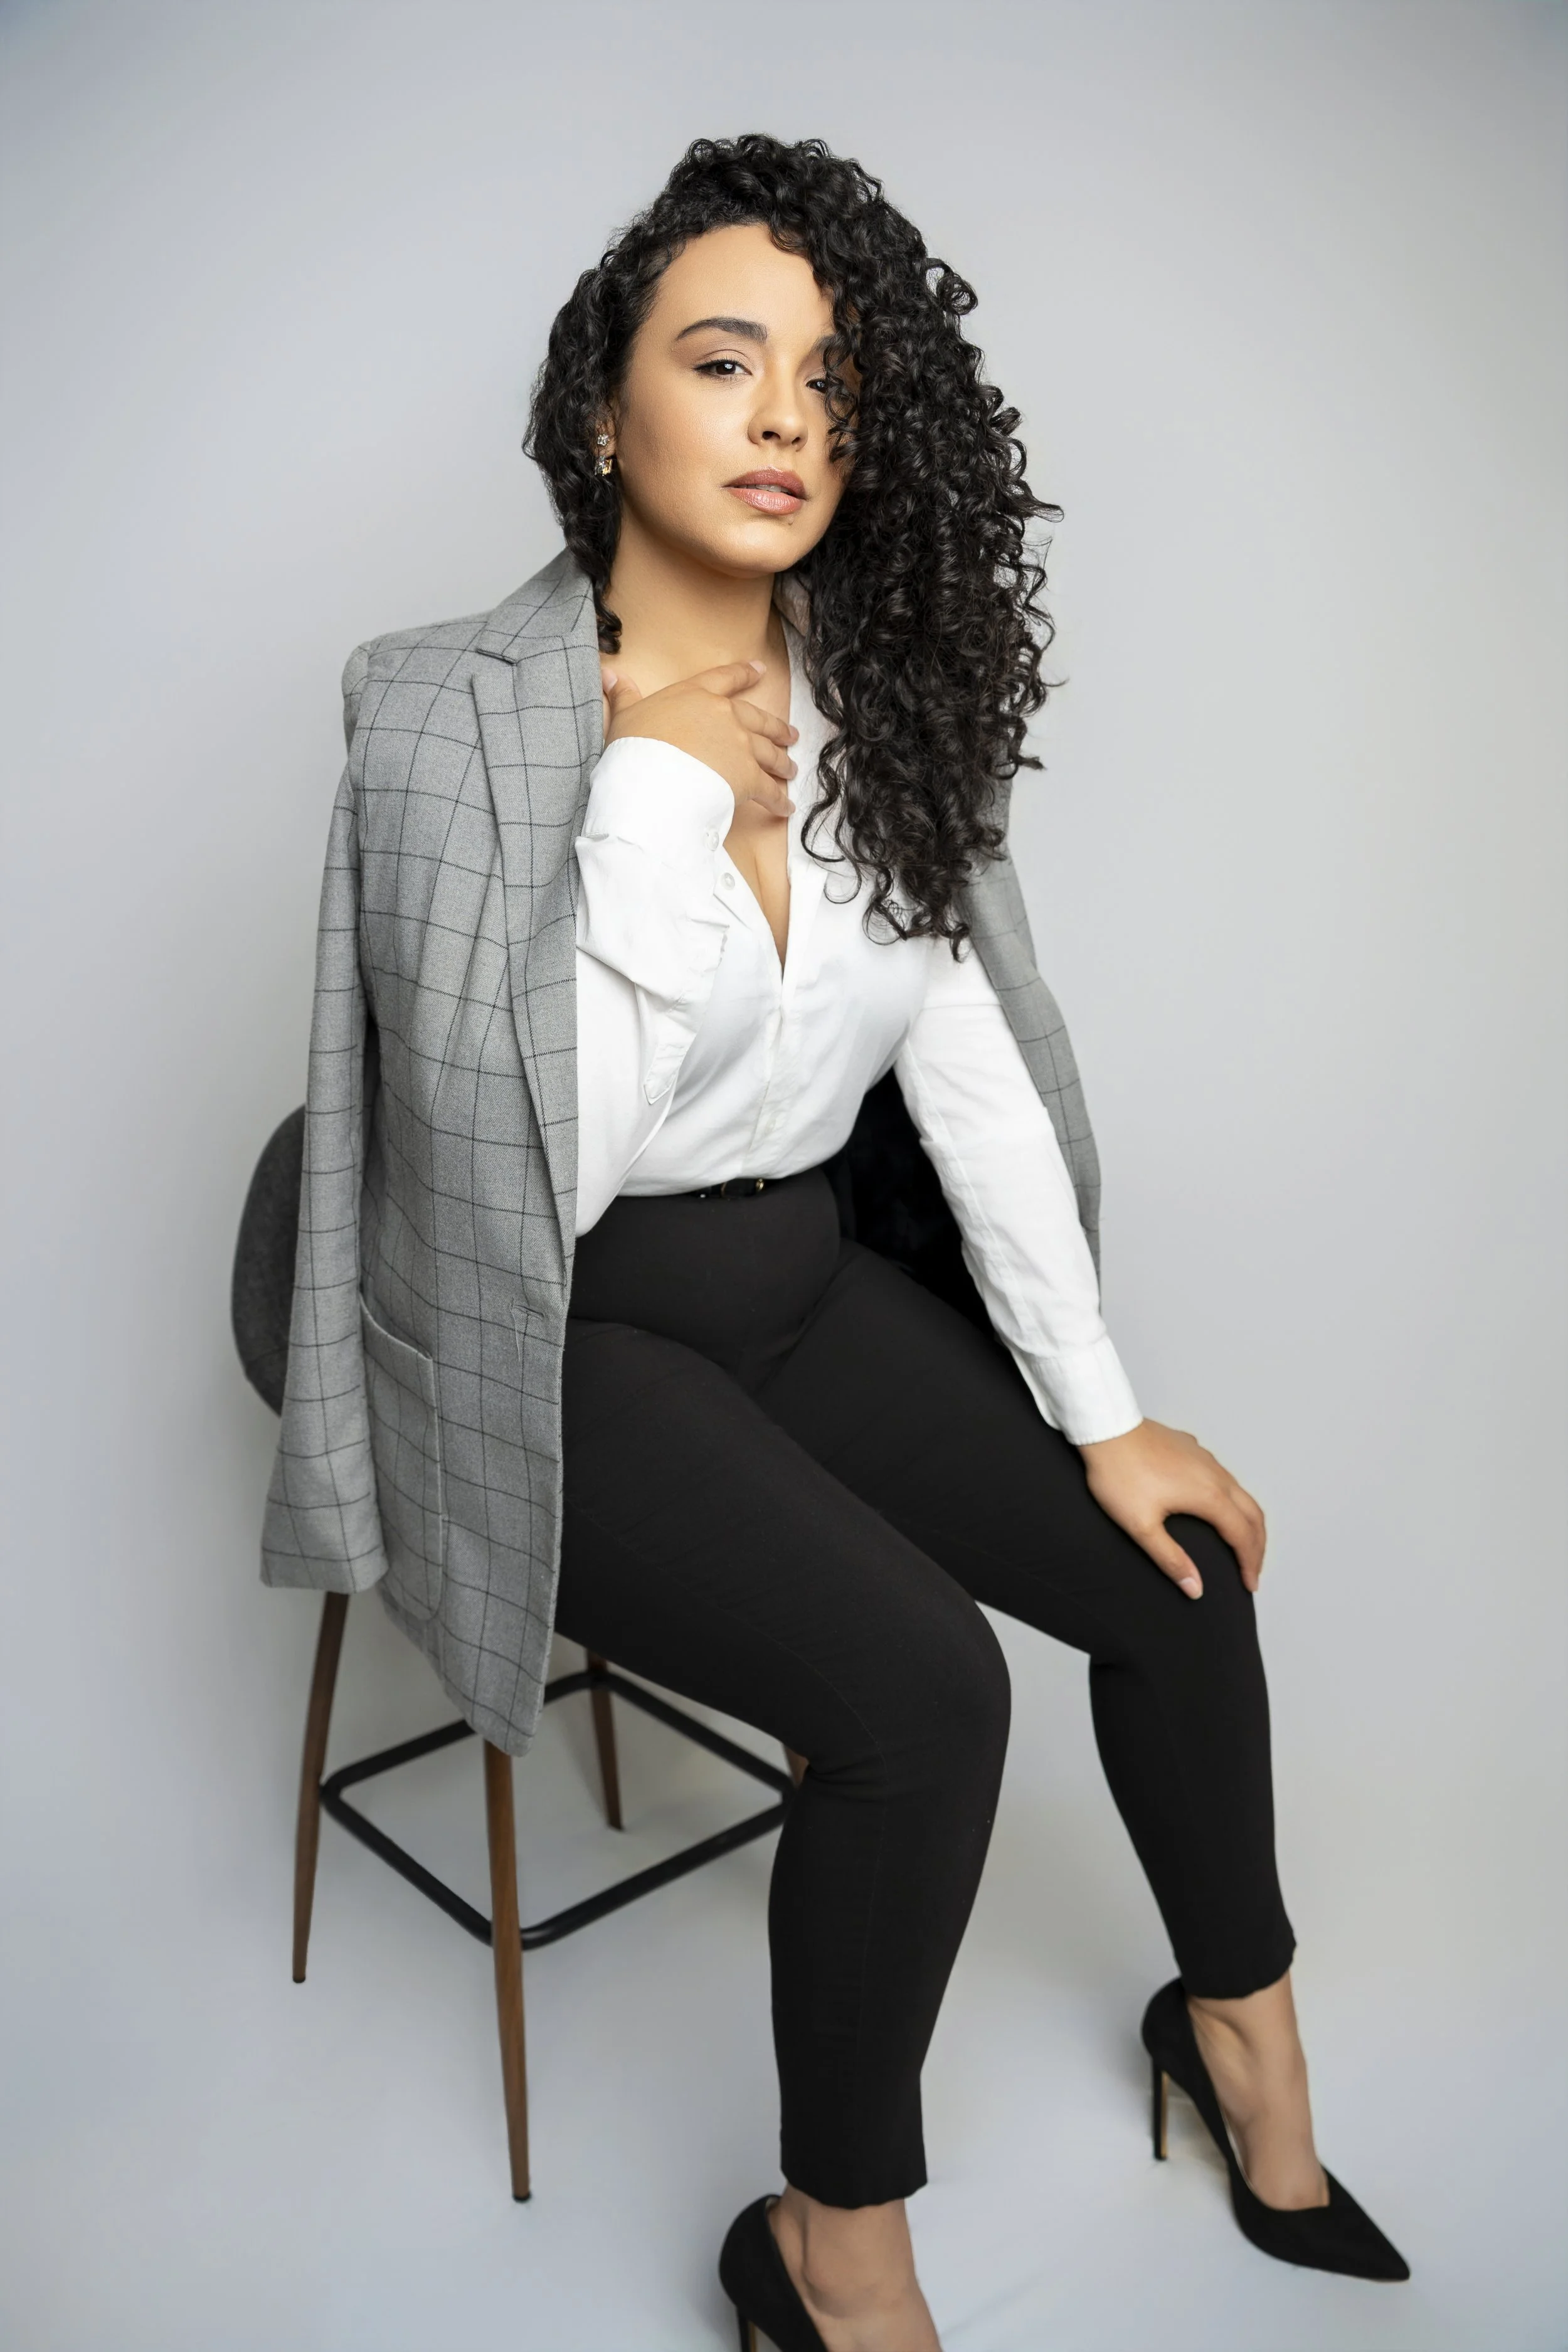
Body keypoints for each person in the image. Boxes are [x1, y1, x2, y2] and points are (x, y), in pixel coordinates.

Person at [263, 134, 1408, 2351]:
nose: (783, 415)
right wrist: (659, 795)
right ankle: (830, 2247)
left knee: (1176, 1574)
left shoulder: (873, 695)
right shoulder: (441, 712)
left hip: (792, 1285)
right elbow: (528, 1175)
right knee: (924, 1693)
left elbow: (968, 1072)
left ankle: (1238, 2039)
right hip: (562, 1328)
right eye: (722, 361)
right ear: (604, 409)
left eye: (827, 379)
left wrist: (1103, 1414)